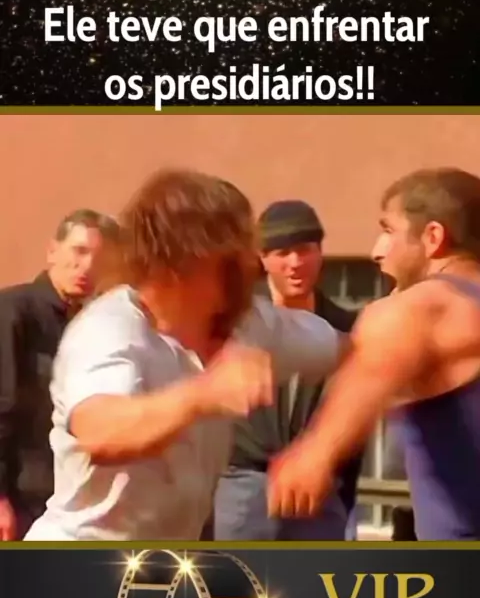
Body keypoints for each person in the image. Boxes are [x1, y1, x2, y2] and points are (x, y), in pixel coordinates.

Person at [24, 169, 346, 542]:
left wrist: (321, 447)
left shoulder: (249, 321)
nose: (251, 266)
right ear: (186, 260)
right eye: (235, 255)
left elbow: (361, 353)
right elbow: (101, 431)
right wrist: (204, 394)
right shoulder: (109, 327)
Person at [268, 168, 480, 541]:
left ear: (433, 237)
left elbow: (375, 369)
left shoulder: (424, 305)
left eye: (388, 230)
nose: (377, 251)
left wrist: (317, 452)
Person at [213, 199, 361, 540]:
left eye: (305, 250)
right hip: (243, 487)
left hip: (319, 491)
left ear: (320, 253)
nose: (295, 263)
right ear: (262, 258)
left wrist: (342, 492)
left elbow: (358, 416)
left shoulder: (346, 328)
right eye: (282, 253)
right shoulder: (239, 321)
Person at [0, 209, 121, 540]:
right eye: (79, 252)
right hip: (20, 498)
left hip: (68, 500)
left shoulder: (93, 325)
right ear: (52, 251)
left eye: (99, 259)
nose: (87, 267)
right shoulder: (13, 312)